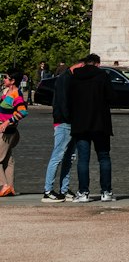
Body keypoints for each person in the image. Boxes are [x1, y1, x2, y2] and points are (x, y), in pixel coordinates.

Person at [68, 53, 114, 202]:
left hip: (81, 123)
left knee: (83, 159)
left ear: (85, 63)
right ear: (97, 64)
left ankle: (83, 193)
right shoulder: (103, 76)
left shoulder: (75, 77)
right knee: (104, 157)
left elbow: (70, 98)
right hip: (100, 123)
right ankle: (106, 192)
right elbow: (111, 96)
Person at [42, 63, 77, 201]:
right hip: (64, 123)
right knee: (58, 156)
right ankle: (48, 190)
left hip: (66, 122)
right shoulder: (64, 84)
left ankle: (63, 189)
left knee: (68, 157)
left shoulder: (62, 84)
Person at [0, 71, 28, 196]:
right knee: (7, 159)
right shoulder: (7, 92)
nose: (3, 79)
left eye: (6, 77)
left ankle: (4, 185)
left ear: (13, 81)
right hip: (7, 132)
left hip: (7, 133)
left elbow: (23, 112)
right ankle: (10, 187)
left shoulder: (16, 94)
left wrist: (7, 122)